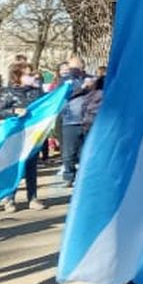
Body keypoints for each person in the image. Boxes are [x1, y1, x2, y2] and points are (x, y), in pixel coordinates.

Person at [0, 62, 51, 212]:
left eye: (31, 74)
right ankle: (10, 199)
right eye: (28, 74)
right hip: (14, 135)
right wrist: (14, 111)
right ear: (18, 76)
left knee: (31, 167)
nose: (31, 77)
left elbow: (49, 103)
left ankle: (32, 198)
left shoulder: (37, 91)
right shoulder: (7, 92)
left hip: (32, 134)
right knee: (13, 165)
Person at [54, 55, 93, 186]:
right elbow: (64, 95)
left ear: (83, 66)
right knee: (68, 153)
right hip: (70, 120)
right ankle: (69, 176)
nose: (74, 70)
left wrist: (91, 86)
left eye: (77, 67)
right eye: (72, 67)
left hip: (88, 120)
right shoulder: (64, 81)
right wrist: (82, 88)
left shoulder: (91, 79)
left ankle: (84, 178)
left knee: (86, 151)